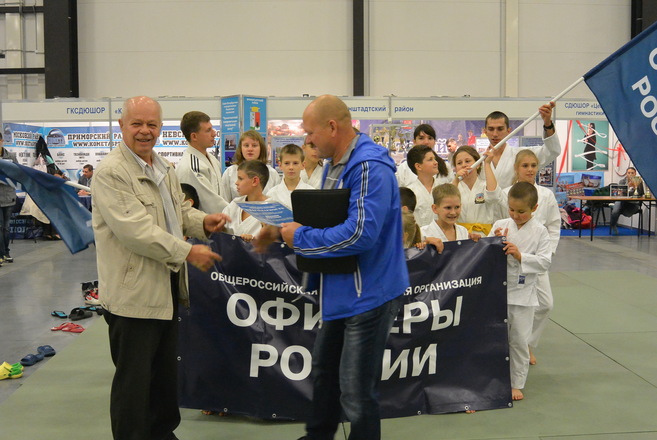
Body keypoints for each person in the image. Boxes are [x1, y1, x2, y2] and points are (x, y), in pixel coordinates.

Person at [257, 94, 408, 440]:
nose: (307, 140)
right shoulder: (335, 165)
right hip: (341, 290)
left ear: (332, 127)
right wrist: (281, 231)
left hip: (369, 294)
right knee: (325, 374)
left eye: (310, 132)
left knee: (357, 391)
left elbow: (359, 234)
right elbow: (326, 219)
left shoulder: (369, 167)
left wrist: (300, 237)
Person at [92, 96, 230, 440]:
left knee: (163, 379)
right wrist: (187, 252)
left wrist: (203, 222)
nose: (145, 131)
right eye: (137, 123)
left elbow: (178, 212)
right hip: (132, 295)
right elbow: (136, 232)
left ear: (160, 128)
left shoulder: (162, 167)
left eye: (152, 124)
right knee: (134, 385)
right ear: (122, 126)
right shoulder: (111, 173)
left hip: (166, 288)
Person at [493, 150, 561, 365]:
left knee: (546, 304)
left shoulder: (546, 195)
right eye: (525, 165)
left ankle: (528, 343)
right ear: (516, 168)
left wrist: (547, 252)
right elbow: (500, 221)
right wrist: (496, 238)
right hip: (509, 258)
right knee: (505, 309)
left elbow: (554, 225)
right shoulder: (506, 193)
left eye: (533, 165)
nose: (530, 169)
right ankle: (512, 345)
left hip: (534, 257)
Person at [488, 182, 552, 401]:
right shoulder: (500, 224)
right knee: (495, 338)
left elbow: (544, 262)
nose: (515, 215)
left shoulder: (541, 232)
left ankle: (516, 383)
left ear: (534, 208)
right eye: (512, 210)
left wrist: (520, 255)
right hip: (498, 292)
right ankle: (493, 377)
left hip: (524, 295)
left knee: (519, 340)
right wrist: (493, 241)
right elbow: (484, 255)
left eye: (521, 211)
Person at [482, 103, 560, 189]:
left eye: (500, 129)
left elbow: (552, 151)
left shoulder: (521, 155)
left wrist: (547, 124)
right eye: (491, 129)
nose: (495, 134)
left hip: (514, 198)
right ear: (485, 131)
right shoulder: (478, 159)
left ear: (508, 131)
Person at [176, 111, 228, 214]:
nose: (214, 133)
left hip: (220, 218)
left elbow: (221, 195)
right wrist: (237, 214)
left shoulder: (212, 159)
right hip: (204, 221)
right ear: (194, 136)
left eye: (212, 128)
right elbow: (210, 203)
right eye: (208, 130)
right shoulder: (191, 167)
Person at [451, 145, 505, 236]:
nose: (464, 165)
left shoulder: (485, 185)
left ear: (478, 164)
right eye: (459, 163)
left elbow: (494, 197)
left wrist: (487, 164)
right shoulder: (453, 185)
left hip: (483, 236)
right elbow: (446, 203)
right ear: (455, 168)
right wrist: (456, 180)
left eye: (468, 161)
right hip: (460, 235)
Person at [220, 130, 280, 202]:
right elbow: (224, 201)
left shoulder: (272, 173)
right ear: (240, 148)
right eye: (246, 145)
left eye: (254, 145)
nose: (250, 149)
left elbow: (277, 201)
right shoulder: (230, 172)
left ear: (261, 148)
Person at [404, 145, 451, 227]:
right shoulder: (409, 192)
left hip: (441, 234)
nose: (436, 162)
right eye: (430, 159)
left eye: (434, 159)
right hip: (418, 234)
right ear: (418, 166)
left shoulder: (443, 188)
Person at [222, 160, 269, 241]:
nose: (236, 183)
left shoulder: (272, 209)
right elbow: (221, 232)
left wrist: (253, 241)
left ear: (255, 181)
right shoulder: (235, 204)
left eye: (240, 178)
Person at [419, 184, 470, 254]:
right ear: (435, 208)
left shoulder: (463, 231)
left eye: (457, 207)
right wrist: (424, 241)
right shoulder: (423, 233)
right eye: (448, 208)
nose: (453, 212)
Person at [266, 143, 315, 209]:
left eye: (295, 163)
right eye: (287, 163)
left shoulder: (311, 192)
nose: (291, 167)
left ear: (303, 165)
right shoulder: (272, 194)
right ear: (280, 165)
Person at [610, 167, 645, 235]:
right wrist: (628, 186)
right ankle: (613, 225)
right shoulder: (622, 181)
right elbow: (620, 193)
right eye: (629, 173)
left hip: (633, 203)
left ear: (635, 174)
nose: (630, 174)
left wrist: (635, 187)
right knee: (615, 211)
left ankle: (615, 207)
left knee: (625, 211)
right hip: (621, 201)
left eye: (632, 173)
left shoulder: (639, 181)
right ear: (626, 173)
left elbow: (641, 193)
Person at [0, 134, 18, 265]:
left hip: (8, 196)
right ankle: (1, 254)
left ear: (1, 141)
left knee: (6, 228)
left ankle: (6, 252)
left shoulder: (11, 157)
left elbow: (18, 174)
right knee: (0, 226)